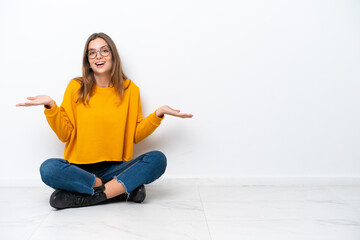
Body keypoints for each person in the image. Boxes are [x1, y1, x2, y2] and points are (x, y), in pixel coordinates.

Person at [16, 32, 193, 209]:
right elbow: (65, 135)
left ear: (113, 55)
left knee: (157, 159)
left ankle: (91, 196)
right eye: (92, 52)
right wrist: (51, 106)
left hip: (116, 168)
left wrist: (158, 114)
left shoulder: (130, 90)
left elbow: (135, 135)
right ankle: (120, 189)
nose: (98, 56)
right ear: (88, 60)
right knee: (48, 168)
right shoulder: (76, 88)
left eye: (104, 51)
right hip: (80, 170)